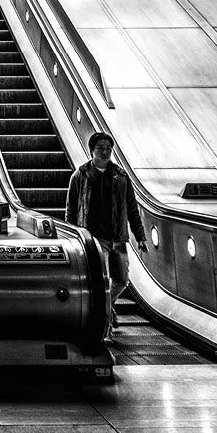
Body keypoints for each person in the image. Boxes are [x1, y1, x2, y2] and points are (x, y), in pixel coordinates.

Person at [66, 131, 142, 321]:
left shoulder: (121, 176)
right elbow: (71, 208)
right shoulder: (80, 176)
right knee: (103, 281)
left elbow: (132, 208)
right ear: (91, 150)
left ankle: (107, 306)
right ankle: (105, 324)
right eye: (100, 148)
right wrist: (70, 237)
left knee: (122, 280)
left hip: (117, 237)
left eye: (108, 148)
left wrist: (140, 236)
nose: (105, 152)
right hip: (94, 238)